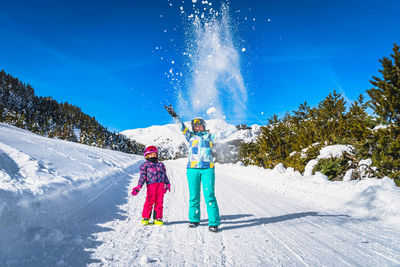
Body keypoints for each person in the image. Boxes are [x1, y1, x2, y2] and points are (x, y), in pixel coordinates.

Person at [165, 105, 220, 233]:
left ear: (204, 126)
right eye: (196, 126)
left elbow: (224, 134)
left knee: (209, 195)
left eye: (200, 125)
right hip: (192, 169)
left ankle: (213, 222)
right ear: (193, 128)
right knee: (194, 196)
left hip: (208, 169)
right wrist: (175, 116)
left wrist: (238, 128)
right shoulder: (190, 136)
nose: (198, 128)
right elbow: (181, 127)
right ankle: (194, 219)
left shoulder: (209, 137)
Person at [131, 145, 171, 226]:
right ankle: (145, 217)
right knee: (149, 201)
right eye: (152, 154)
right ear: (147, 155)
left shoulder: (161, 164)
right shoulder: (145, 165)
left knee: (159, 202)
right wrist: (138, 187)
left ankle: (158, 218)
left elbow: (164, 175)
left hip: (161, 185)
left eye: (155, 154)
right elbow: (142, 177)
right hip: (151, 185)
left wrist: (167, 183)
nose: (154, 155)